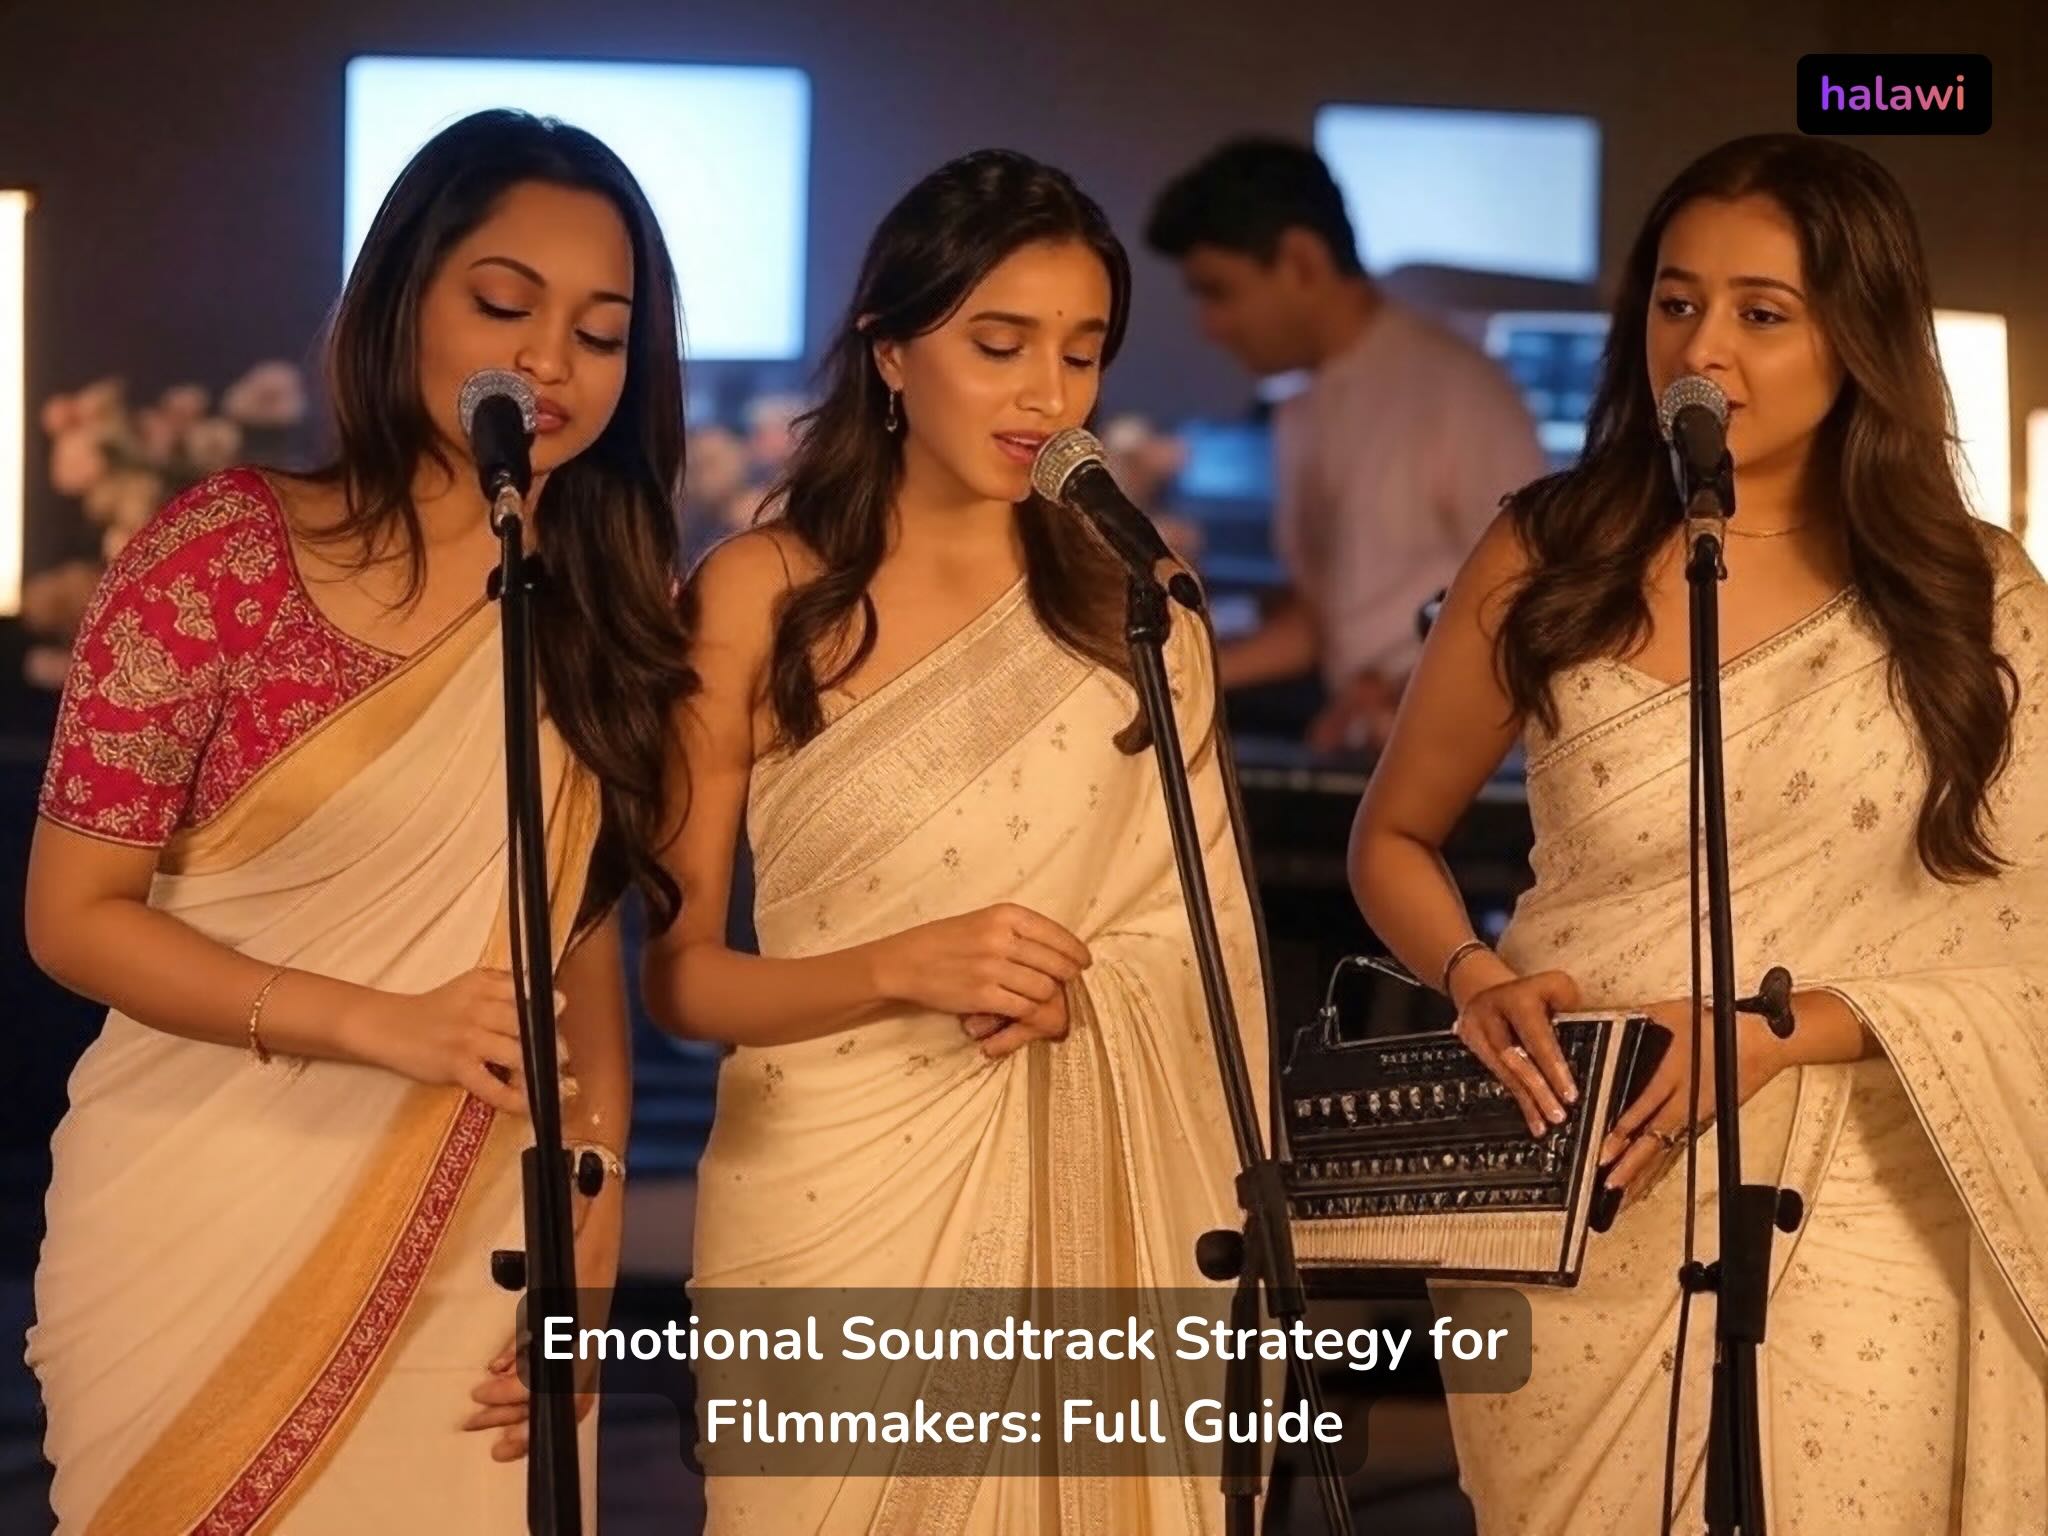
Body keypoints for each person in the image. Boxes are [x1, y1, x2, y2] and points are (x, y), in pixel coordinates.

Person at [1348, 132, 2047, 1533]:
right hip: (1586, 1165)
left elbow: (2028, 934)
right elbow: (1394, 841)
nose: (1704, 346)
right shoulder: (1550, 548)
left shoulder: (1975, 596)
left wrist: (1782, 1033)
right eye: (1677, 303)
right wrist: (1475, 978)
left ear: (1860, 335)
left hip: (1863, 1188)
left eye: (1761, 313)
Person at [23, 110, 695, 1532]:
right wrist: (372, 1020)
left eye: (601, 329)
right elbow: (72, 919)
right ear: (401, 301)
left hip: (479, 1229)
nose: (551, 364)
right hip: (197, 1202)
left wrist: (595, 1208)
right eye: (504, 305)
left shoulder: (603, 607)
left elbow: (580, 949)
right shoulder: (220, 559)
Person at [644, 149, 1271, 1533]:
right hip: (826, 1201)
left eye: (1081, 351)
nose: (1047, 394)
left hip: (1095, 1212)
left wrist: (1090, 991)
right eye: (999, 344)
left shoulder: (1135, 597)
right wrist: (900, 968)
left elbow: (1202, 940)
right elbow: (680, 979)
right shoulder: (759, 595)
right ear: (887, 350)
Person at [1146, 137, 1546, 752]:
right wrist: (1171, 682)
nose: (1209, 326)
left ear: (1302, 262)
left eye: (1219, 292)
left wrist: (1397, 695)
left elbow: (1533, 605)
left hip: (1460, 751)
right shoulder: (1305, 406)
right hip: (1365, 729)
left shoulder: (1457, 391)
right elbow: (1319, 622)